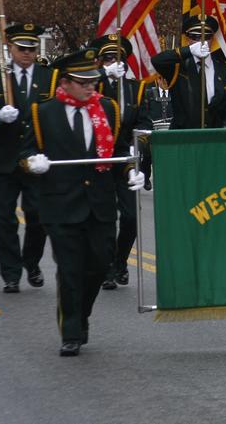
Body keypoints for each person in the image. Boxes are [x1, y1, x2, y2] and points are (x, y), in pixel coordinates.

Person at [19, 47, 145, 356]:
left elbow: (119, 152)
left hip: (99, 203)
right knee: (71, 268)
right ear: (64, 82)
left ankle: (81, 313)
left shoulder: (108, 110)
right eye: (83, 81)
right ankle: (71, 330)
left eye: (93, 80)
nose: (91, 86)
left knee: (100, 265)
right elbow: (24, 153)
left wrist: (132, 171)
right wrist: (32, 162)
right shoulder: (42, 113)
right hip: (60, 204)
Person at [0, 23, 57, 293]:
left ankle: (31, 262)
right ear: (10, 48)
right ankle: (11, 273)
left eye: (31, 49)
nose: (27, 53)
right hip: (3, 159)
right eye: (21, 48)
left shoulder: (50, 78)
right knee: (3, 219)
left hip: (35, 160)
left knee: (38, 217)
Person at [89, 33, 152, 291]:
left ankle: (120, 261)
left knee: (129, 217)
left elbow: (144, 124)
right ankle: (106, 268)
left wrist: (139, 156)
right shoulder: (94, 85)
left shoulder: (136, 88)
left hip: (125, 157)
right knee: (103, 218)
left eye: (118, 58)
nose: (114, 62)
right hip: (98, 158)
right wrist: (105, 77)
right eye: (108, 58)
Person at [150, 16, 226, 130]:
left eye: (206, 36)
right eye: (195, 37)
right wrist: (189, 50)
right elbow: (156, 61)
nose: (201, 41)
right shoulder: (178, 66)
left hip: (216, 137)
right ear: (188, 39)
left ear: (212, 38)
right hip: (184, 138)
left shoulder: (224, 69)